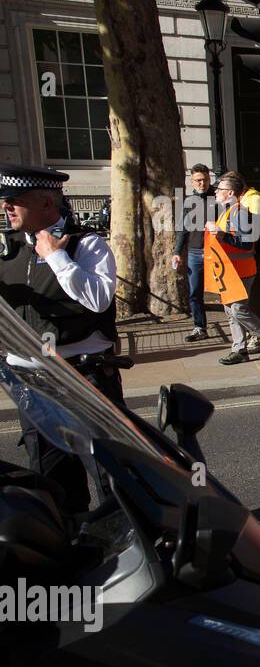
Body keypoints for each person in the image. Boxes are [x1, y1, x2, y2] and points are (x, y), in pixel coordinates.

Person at [0, 164, 121, 512]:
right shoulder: (8, 250)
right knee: (51, 477)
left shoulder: (87, 245)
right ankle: (75, 546)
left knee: (108, 469)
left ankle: (127, 545)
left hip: (84, 376)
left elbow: (98, 299)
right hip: (31, 380)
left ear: (46, 204)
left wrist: (54, 256)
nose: (6, 208)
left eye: (14, 201)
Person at [209, 171, 260, 365]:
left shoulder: (239, 212)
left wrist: (221, 234)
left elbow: (248, 242)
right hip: (229, 271)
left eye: (220, 189)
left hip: (241, 270)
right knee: (230, 311)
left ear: (230, 193)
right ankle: (239, 349)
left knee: (238, 309)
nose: (215, 191)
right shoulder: (228, 211)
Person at [171, 164, 214, 341]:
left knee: (226, 292)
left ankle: (239, 330)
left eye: (205, 180)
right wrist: (177, 251)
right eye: (198, 180)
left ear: (209, 179)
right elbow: (182, 229)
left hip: (216, 252)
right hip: (195, 253)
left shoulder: (218, 198)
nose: (202, 183)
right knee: (195, 292)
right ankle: (199, 328)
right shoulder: (187, 202)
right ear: (192, 182)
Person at [240, 180, 260, 351]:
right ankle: (255, 334)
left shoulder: (253, 200)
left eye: (222, 188)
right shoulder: (243, 201)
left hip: (256, 256)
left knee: (258, 298)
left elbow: (252, 230)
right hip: (247, 257)